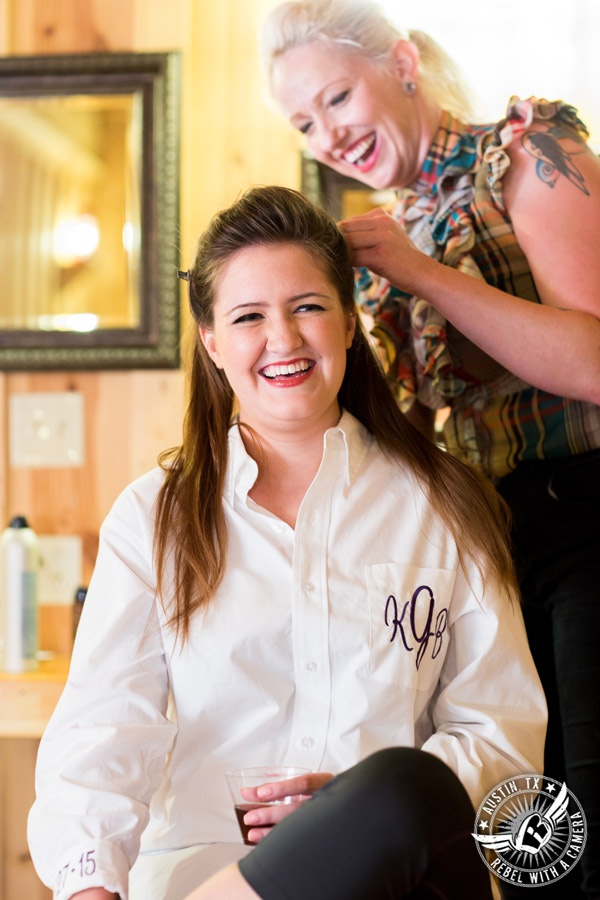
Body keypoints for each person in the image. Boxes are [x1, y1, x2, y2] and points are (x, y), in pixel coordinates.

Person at [28, 185, 545, 900]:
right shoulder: (153, 517)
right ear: (212, 341)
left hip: (392, 872)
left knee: (399, 786)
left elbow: (503, 737)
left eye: (307, 307)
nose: (284, 339)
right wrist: (88, 887)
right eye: (249, 317)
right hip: (201, 869)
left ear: (347, 321)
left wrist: (353, 817)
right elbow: (103, 732)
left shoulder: (447, 505)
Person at [259, 3, 600, 897]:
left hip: (591, 513)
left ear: (403, 64)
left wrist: (418, 272)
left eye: (338, 97)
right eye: (304, 123)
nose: (329, 133)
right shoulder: (382, 232)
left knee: (590, 825)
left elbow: (595, 363)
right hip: (490, 544)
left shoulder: (528, 151)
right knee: (530, 836)